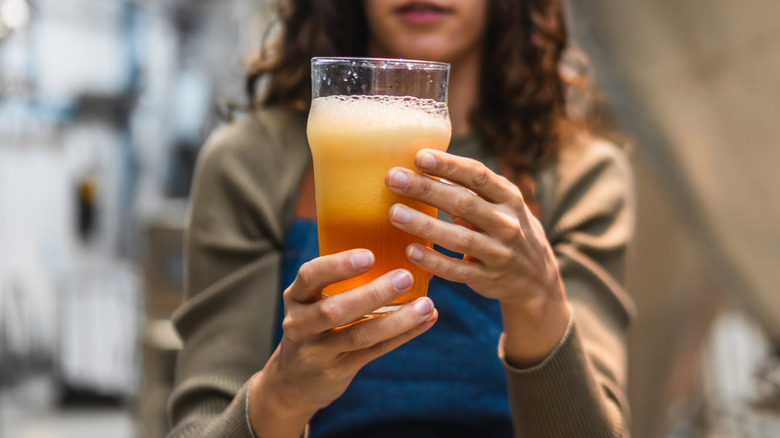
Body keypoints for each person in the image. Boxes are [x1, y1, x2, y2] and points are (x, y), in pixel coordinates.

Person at [168, 0, 635, 437]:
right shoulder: (251, 164)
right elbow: (200, 424)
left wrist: (539, 300)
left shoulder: (580, 176)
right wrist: (283, 393)